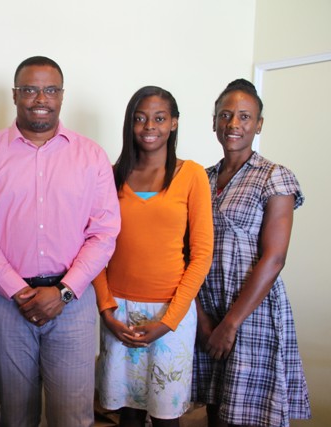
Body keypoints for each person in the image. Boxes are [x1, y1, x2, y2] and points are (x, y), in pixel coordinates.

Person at [0, 56, 121, 427]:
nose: (40, 98)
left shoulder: (91, 156)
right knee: (16, 416)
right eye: (30, 89)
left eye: (50, 89)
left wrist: (63, 291)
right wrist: (17, 290)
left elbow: (104, 233)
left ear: (62, 96)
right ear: (15, 95)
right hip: (6, 303)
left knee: (73, 417)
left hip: (73, 304)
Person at [192, 79, 311, 427]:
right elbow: (187, 250)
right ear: (213, 121)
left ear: (258, 124)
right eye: (225, 115)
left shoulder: (275, 177)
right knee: (215, 408)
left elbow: (274, 258)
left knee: (248, 414)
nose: (234, 124)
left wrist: (230, 324)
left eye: (245, 116)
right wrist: (202, 320)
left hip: (249, 311)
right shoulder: (200, 178)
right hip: (206, 310)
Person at [93, 86, 213, 427]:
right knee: (127, 414)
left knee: (165, 418)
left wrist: (168, 320)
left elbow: (202, 253)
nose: (150, 126)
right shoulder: (112, 175)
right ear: (130, 124)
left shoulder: (192, 175)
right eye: (140, 118)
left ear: (174, 123)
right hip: (119, 311)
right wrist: (107, 309)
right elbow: (96, 247)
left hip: (170, 312)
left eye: (160, 118)